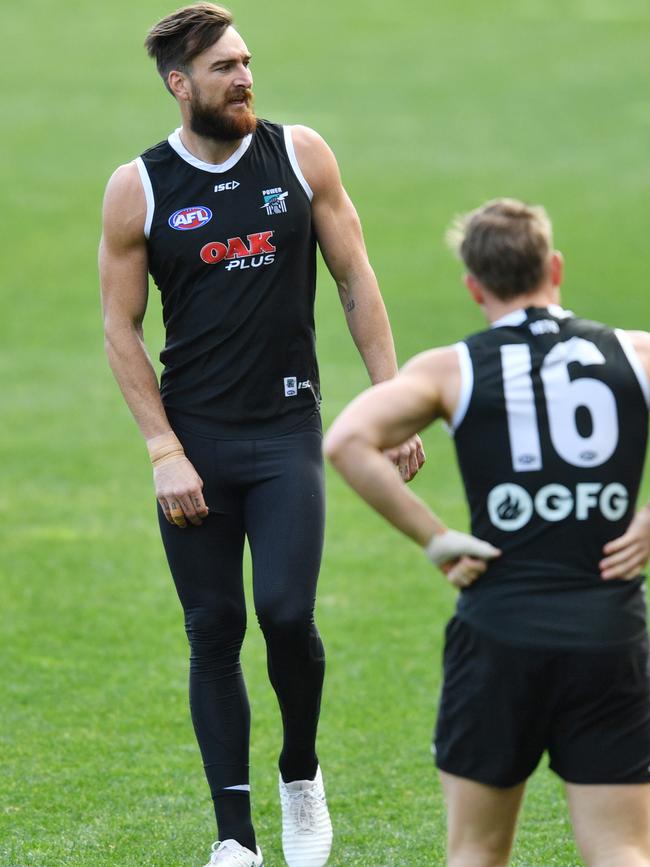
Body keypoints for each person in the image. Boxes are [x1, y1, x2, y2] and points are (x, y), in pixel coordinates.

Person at [99, 4, 426, 866]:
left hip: (285, 430)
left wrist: (390, 405)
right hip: (195, 443)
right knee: (213, 628)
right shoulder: (138, 187)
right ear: (180, 85)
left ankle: (300, 775)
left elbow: (355, 278)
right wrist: (164, 450)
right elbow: (119, 328)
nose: (245, 78)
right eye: (224, 68)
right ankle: (234, 836)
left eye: (247, 62)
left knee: (285, 614)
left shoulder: (300, 154)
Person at [324, 198, 650, 867]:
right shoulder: (636, 352)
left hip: (499, 629)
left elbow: (348, 440)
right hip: (608, 631)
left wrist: (436, 537)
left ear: (474, 286)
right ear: (554, 267)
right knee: (621, 846)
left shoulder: (454, 367)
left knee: (476, 849)